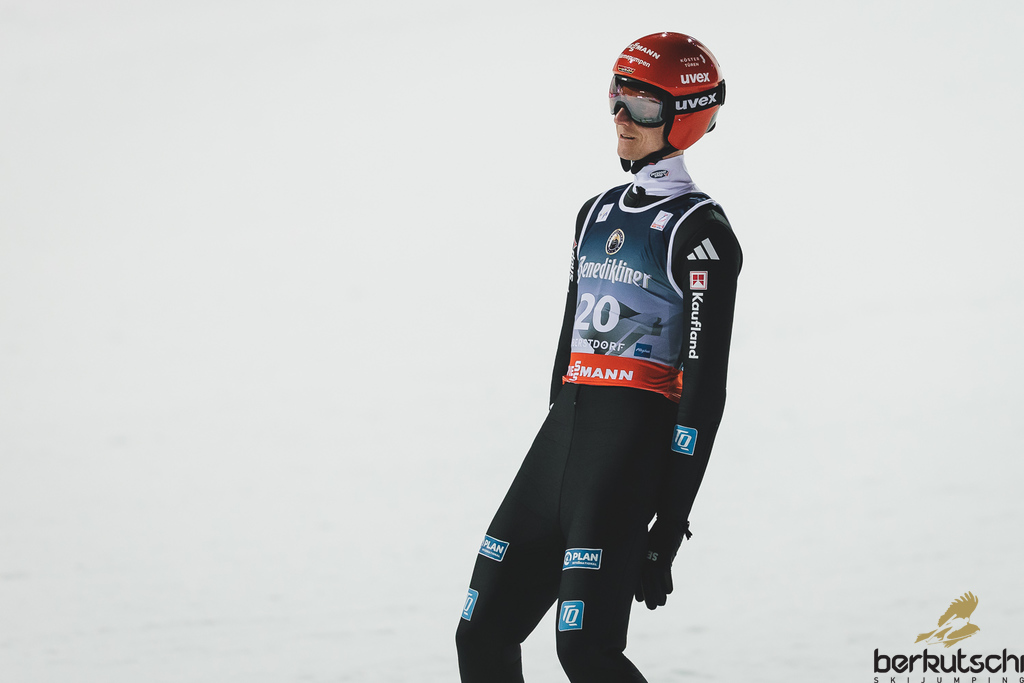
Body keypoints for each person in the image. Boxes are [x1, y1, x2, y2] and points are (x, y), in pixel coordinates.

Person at [456, 32, 741, 683]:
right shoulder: (594, 214)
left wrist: (668, 526)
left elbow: (704, 396)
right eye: (617, 97)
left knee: (584, 651)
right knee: (480, 634)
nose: (621, 116)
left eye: (642, 106)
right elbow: (566, 362)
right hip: (558, 452)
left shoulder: (703, 235)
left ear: (685, 115)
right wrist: (557, 446)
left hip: (623, 466)